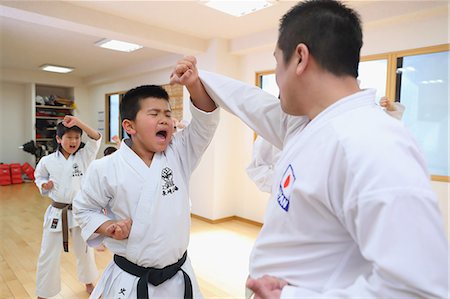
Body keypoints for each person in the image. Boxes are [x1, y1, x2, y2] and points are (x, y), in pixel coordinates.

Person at [171, 0, 448, 297]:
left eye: (278, 63)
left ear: (300, 58)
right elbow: (250, 101)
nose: (277, 76)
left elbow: (419, 289)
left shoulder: (373, 142)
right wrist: (200, 81)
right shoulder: (305, 124)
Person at [73, 84, 219, 298]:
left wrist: (194, 83)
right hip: (132, 280)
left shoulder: (179, 153)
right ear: (129, 126)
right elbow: (84, 209)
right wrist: (108, 227)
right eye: (154, 114)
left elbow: (205, 123)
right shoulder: (104, 167)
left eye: (168, 114)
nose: (164, 120)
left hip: (178, 276)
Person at [247, 96, 405, 194]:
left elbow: (371, 135)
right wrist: (285, 187)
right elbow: (257, 168)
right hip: (287, 202)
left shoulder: (328, 124)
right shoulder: (270, 133)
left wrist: (391, 112)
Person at [34, 115, 101, 299]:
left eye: (77, 138)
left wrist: (78, 122)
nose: (74, 141)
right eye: (69, 137)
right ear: (58, 139)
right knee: (48, 253)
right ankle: (44, 292)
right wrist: (43, 184)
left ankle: (89, 282)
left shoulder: (85, 155)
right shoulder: (47, 161)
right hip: (58, 211)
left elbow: (95, 137)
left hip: (81, 212)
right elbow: (38, 177)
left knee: (85, 251)